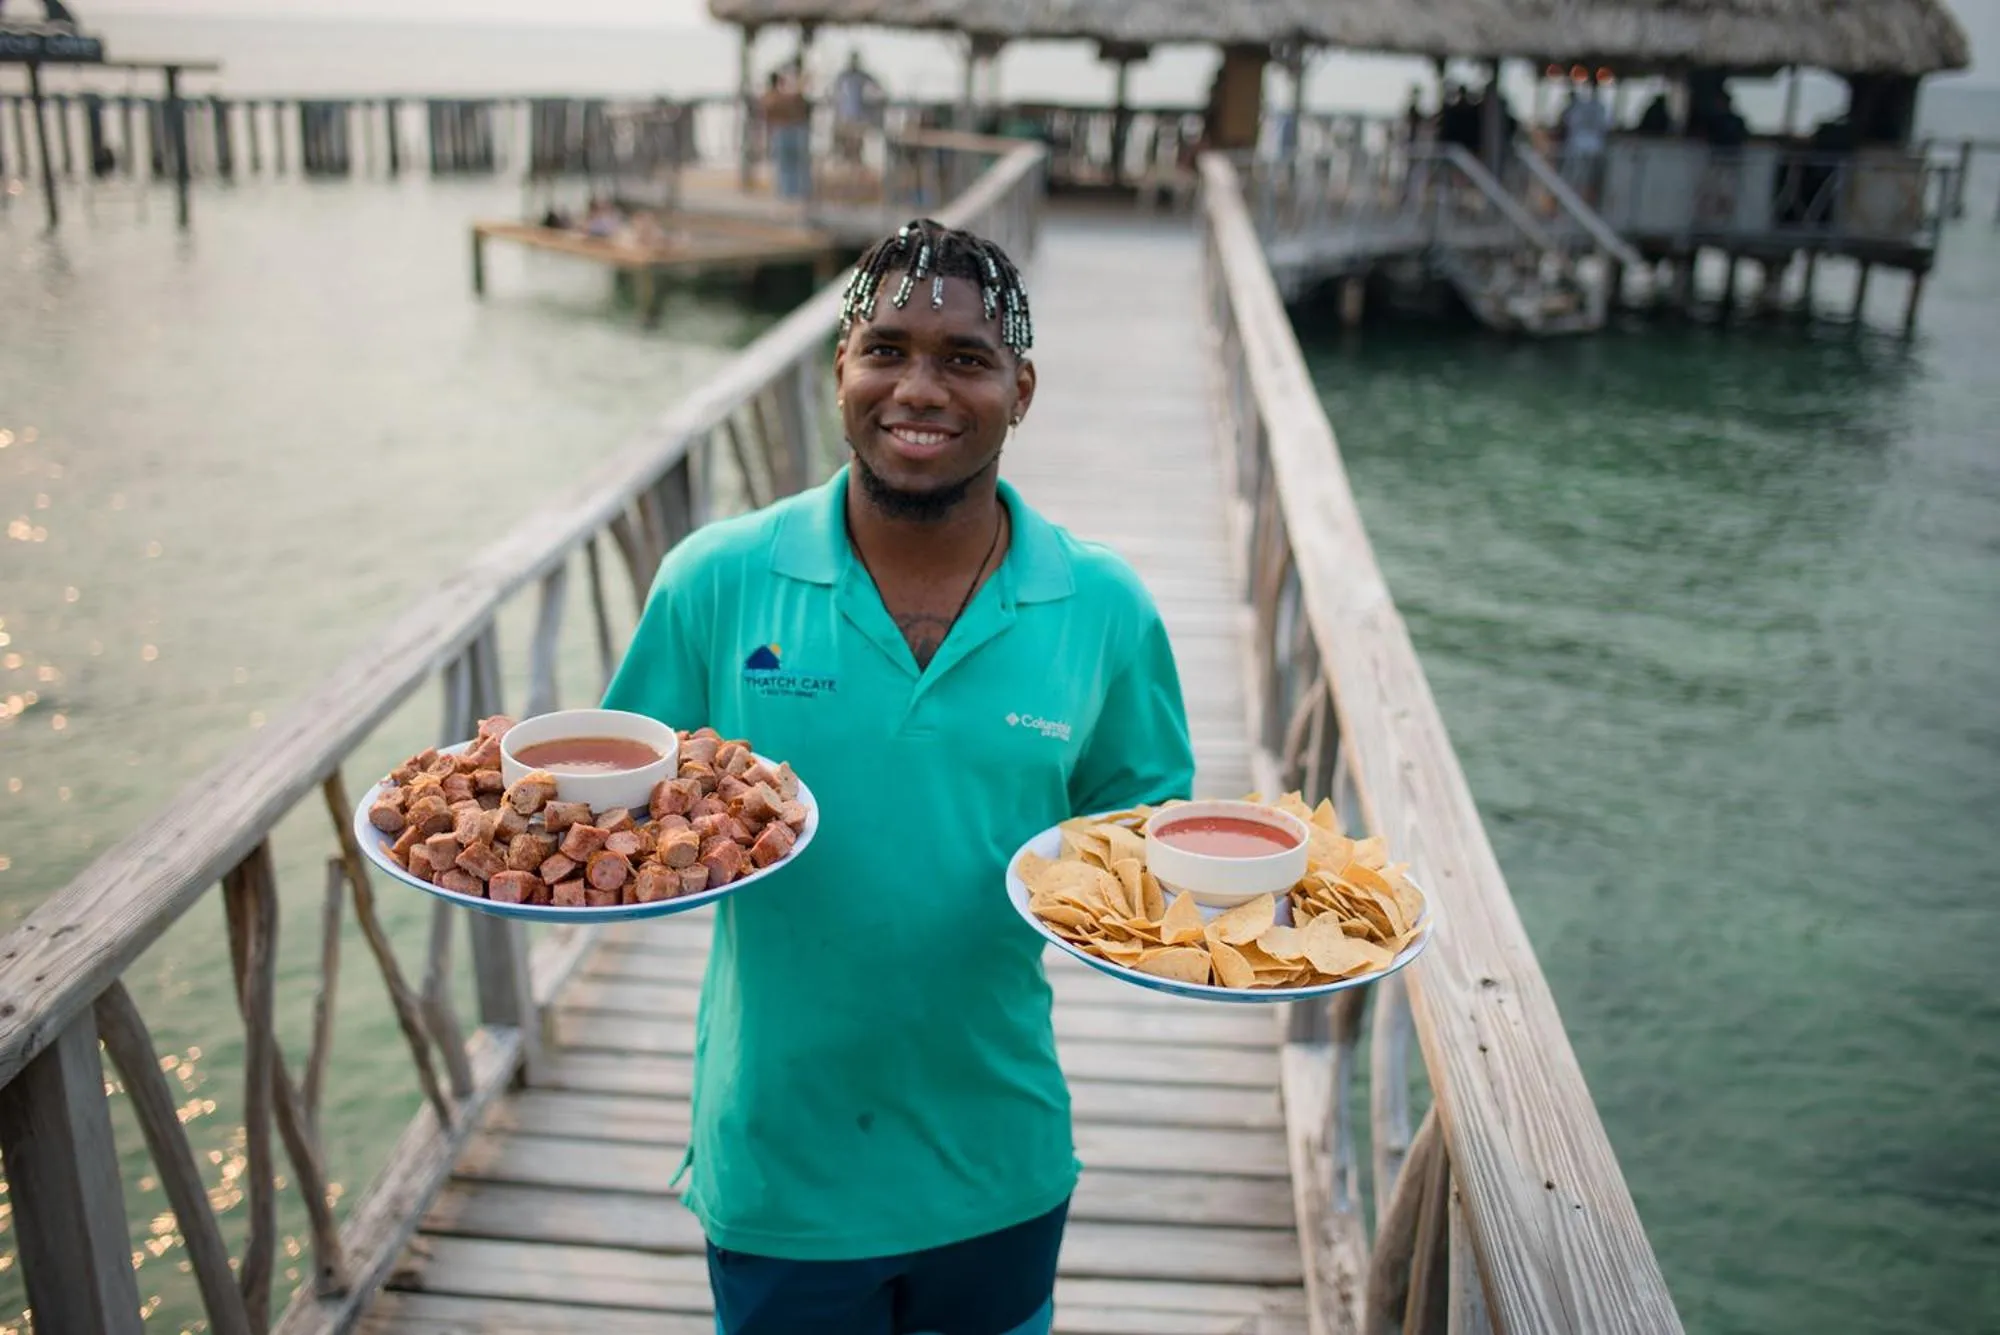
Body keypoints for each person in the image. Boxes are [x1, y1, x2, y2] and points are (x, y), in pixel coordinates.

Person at [602, 218, 1195, 1335]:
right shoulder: (716, 581)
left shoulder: (1104, 607)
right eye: (885, 351)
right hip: (779, 1160)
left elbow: (1151, 841)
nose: (919, 388)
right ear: (840, 371)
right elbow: (613, 814)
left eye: (965, 359)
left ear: (1021, 391)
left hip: (998, 1153)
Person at [761, 65, 812, 201]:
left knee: (789, 164)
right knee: (788, 164)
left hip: (785, 132)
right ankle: (790, 193)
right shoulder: (777, 97)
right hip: (784, 132)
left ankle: (791, 193)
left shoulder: (772, 97)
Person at [831, 49, 885, 166]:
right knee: (846, 141)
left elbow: (878, 88)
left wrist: (872, 102)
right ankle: (847, 162)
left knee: (856, 141)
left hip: (858, 116)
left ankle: (856, 162)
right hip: (845, 116)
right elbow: (834, 94)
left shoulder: (862, 76)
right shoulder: (843, 76)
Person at [1558, 83, 1611, 197]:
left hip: (1579, 148)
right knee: (1580, 179)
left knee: (1579, 179)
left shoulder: (1578, 108)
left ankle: (1579, 196)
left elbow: (1566, 123)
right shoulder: (1599, 107)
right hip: (1591, 147)